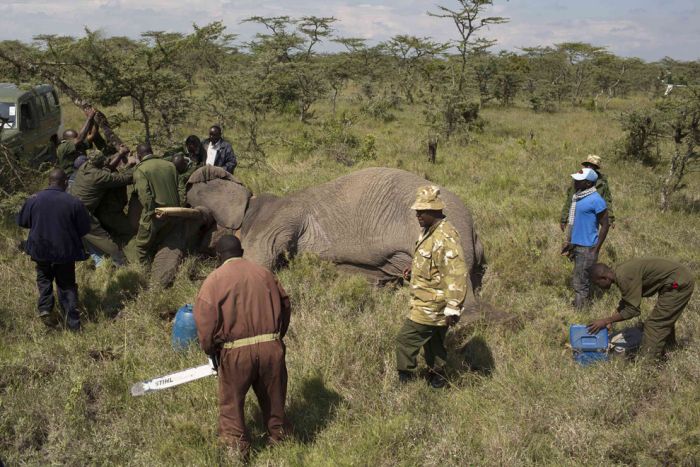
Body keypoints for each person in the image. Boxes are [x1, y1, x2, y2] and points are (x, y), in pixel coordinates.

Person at [193, 235, 291, 460]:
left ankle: (237, 450)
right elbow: (285, 304)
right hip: (271, 347)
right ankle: (282, 442)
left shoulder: (213, 281)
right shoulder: (265, 274)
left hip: (235, 352)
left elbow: (205, 323)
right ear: (242, 251)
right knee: (274, 399)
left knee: (232, 405)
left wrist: (211, 351)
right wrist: (276, 337)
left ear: (218, 256)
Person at [396, 185, 471, 389]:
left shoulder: (445, 237)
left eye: (422, 212)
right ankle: (438, 379)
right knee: (434, 344)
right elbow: (434, 262)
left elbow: (456, 273)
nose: (418, 216)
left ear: (435, 211)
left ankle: (405, 380)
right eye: (417, 212)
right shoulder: (430, 231)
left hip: (431, 305)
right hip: (429, 300)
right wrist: (414, 269)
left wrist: (453, 307)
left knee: (405, 340)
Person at [16, 168, 91, 330]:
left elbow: (22, 222)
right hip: (65, 252)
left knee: (44, 279)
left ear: (49, 182)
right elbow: (85, 228)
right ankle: (73, 324)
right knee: (66, 285)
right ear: (65, 182)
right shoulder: (74, 202)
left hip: (40, 250)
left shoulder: (33, 199)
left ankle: (45, 309)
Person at [588, 259, 695, 361]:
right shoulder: (619, 272)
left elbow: (633, 310)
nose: (599, 288)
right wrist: (612, 318)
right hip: (675, 280)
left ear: (604, 278)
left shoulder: (624, 277)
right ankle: (669, 348)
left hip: (679, 283)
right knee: (663, 318)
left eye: (598, 284)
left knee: (654, 325)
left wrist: (607, 320)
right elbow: (628, 300)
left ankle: (649, 366)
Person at [125, 143, 183, 286]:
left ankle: (146, 280)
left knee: (141, 247)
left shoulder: (141, 170)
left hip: (155, 215)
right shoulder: (170, 165)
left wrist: (152, 212)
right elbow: (181, 189)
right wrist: (179, 208)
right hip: (174, 215)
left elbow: (145, 196)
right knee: (163, 243)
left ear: (139, 155)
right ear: (152, 151)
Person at [69, 146, 138, 265]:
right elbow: (123, 179)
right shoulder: (99, 176)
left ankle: (103, 264)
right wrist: (136, 165)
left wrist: (120, 154)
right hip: (83, 214)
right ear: (100, 163)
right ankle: (123, 265)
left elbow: (106, 168)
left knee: (91, 241)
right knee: (106, 241)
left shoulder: (84, 167)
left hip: (70, 210)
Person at [562, 167, 610, 309]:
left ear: (588, 184)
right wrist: (569, 242)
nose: (575, 182)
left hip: (587, 247)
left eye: (579, 180)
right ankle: (581, 305)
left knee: (580, 281)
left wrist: (596, 248)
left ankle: (581, 311)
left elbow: (605, 225)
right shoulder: (578, 197)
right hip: (577, 245)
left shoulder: (596, 200)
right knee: (580, 278)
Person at [560, 154, 614, 231]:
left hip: (593, 214)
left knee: (590, 235)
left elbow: (607, 200)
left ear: (596, 168)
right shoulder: (578, 179)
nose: (590, 168)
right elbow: (570, 199)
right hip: (578, 213)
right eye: (588, 165)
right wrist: (564, 218)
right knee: (573, 235)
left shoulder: (602, 182)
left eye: (593, 166)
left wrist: (610, 217)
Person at [56, 108, 97, 176]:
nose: (77, 140)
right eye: (74, 139)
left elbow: (92, 135)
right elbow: (79, 138)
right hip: (71, 176)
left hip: (83, 172)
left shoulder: (78, 144)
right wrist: (89, 118)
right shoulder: (63, 147)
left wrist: (94, 119)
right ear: (66, 140)